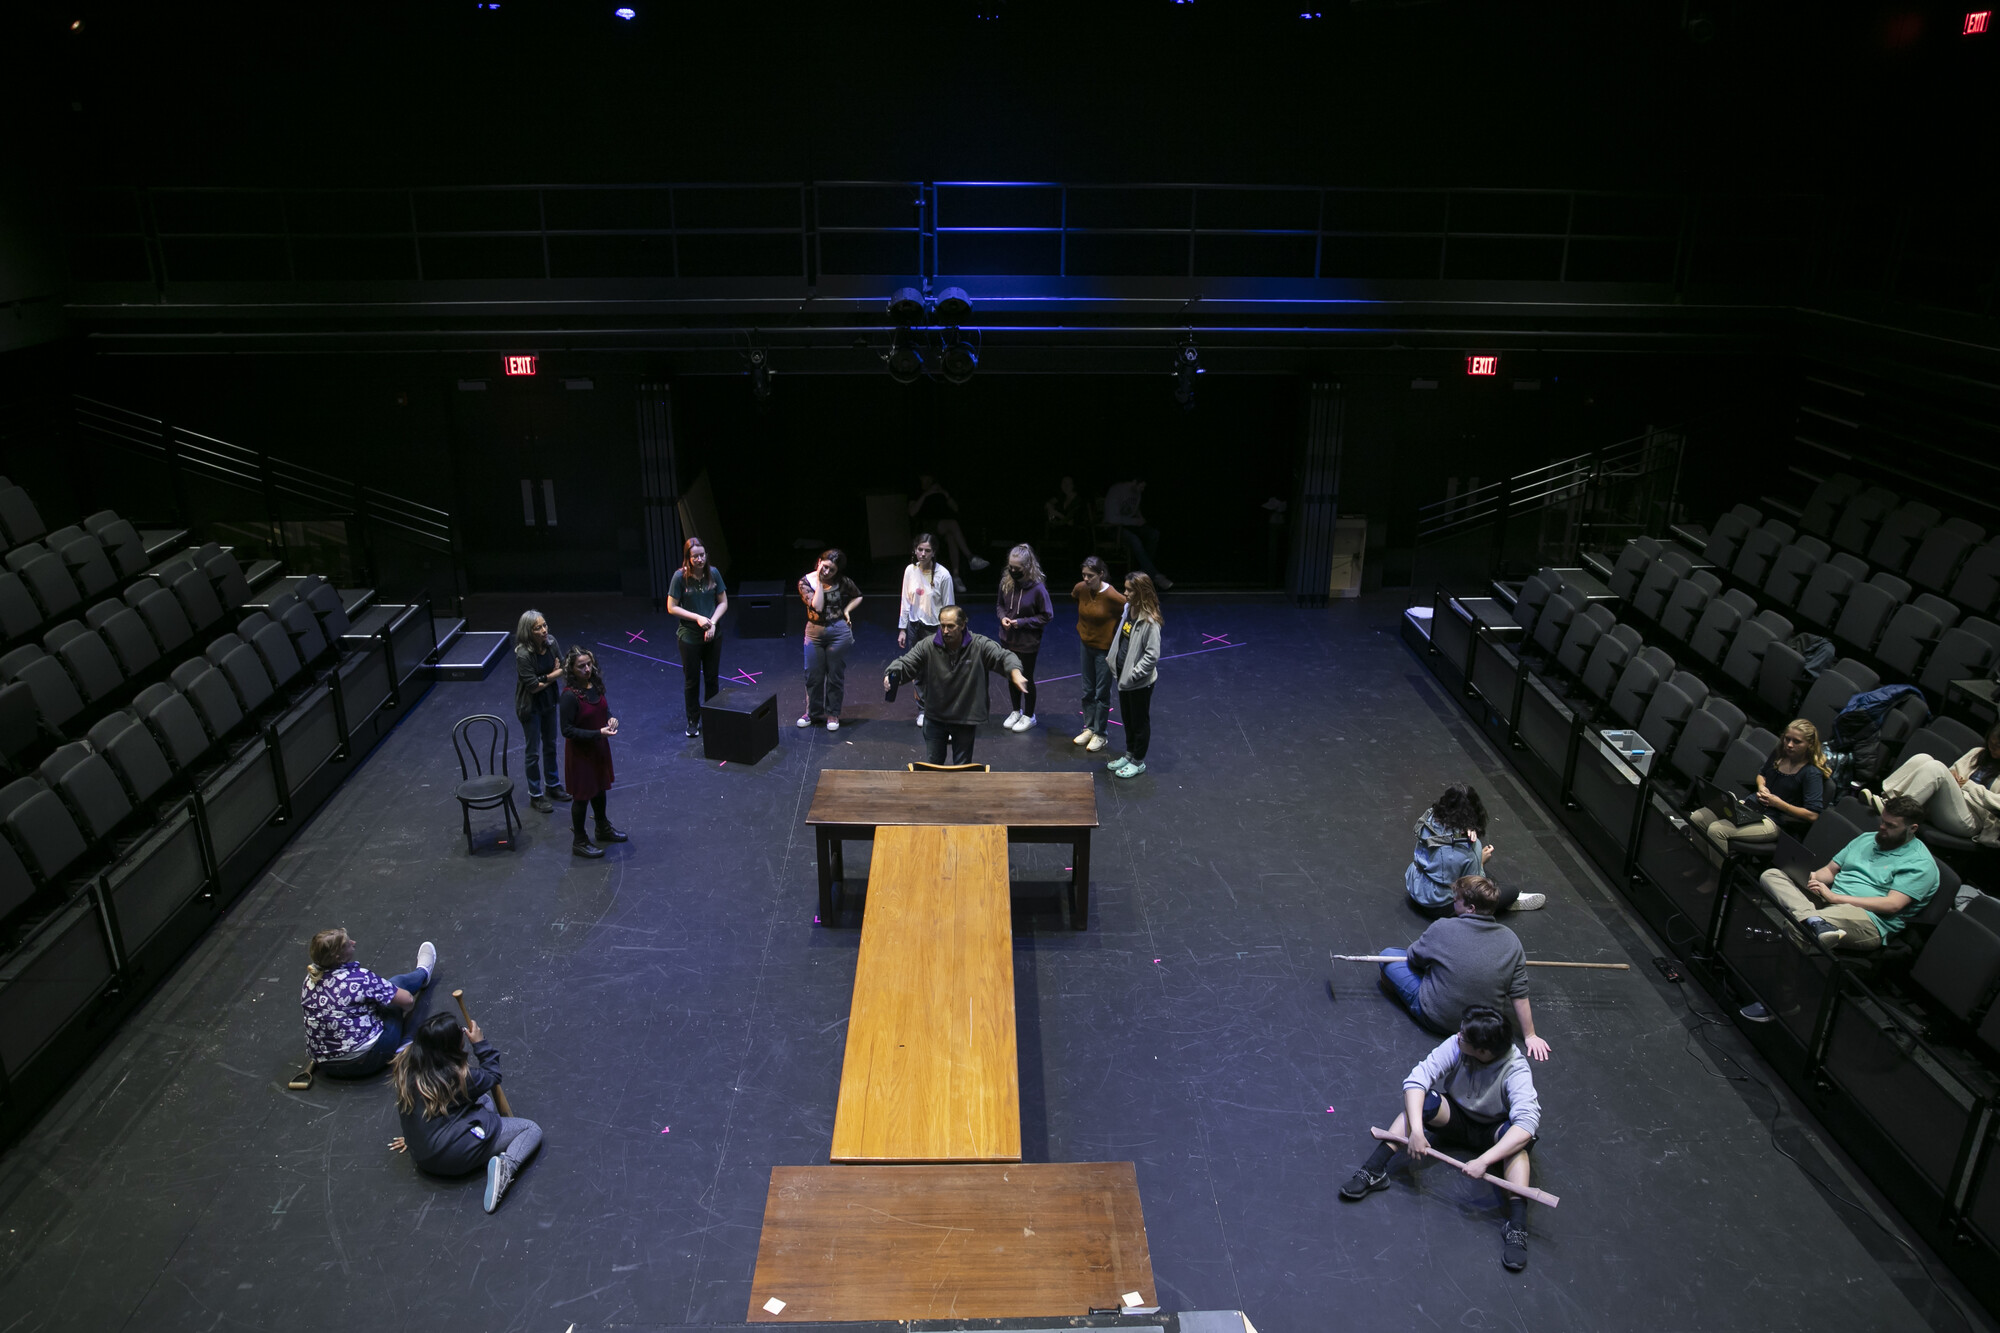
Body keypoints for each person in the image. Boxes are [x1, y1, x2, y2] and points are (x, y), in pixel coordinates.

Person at [1338, 1004, 1543, 1274]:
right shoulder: (1459, 1043)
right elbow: (1417, 1080)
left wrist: (1484, 1160)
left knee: (1517, 1145)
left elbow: (1526, 1125)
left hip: (1492, 1132)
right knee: (1421, 1104)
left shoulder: (1516, 1069)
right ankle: (1374, 1170)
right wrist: (1418, 1132)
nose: (1458, 1036)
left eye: (1464, 1037)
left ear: (1483, 1051)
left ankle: (1516, 1226)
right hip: (1455, 1116)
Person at [1747, 795, 1940, 985]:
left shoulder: (1920, 864)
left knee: (1799, 928)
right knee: (1772, 874)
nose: (1882, 827)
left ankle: (1784, 1003)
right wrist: (1806, 876)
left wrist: (1835, 897)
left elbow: (1891, 905)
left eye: (1891, 826)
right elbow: (1830, 871)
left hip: (1869, 919)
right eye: (1883, 821)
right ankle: (1814, 919)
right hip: (1830, 897)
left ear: (1912, 829)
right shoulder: (1867, 839)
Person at [1373, 876, 1553, 1060]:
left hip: (1436, 1019)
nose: (1453, 900)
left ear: (1471, 908)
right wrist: (1530, 1035)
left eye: (1457, 899)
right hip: (1480, 1029)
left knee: (1391, 956)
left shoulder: (1443, 927)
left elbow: (1414, 958)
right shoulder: (1511, 940)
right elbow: (1519, 992)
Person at [388, 1012, 542, 1214]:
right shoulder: (458, 1077)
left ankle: (484, 1136)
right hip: (453, 1157)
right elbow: (492, 1075)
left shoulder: (408, 1066)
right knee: (530, 1129)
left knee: (483, 1100)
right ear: (451, 1046)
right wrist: (480, 1043)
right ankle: (505, 1169)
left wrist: (414, 1138)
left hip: (423, 1154)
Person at [883, 604, 1029, 766]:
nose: (945, 631)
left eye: (951, 626)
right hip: (935, 716)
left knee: (962, 767)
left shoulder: (979, 645)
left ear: (962, 625)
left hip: (964, 718)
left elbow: (1004, 657)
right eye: (942, 626)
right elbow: (906, 663)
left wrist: (1015, 672)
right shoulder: (928, 645)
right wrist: (893, 673)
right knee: (933, 765)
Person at [300, 929, 437, 1079]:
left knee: (380, 995)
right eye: (347, 944)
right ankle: (423, 973)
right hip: (366, 1061)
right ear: (338, 957)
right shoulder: (360, 979)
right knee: (395, 987)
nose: (353, 943)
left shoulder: (310, 980)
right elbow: (408, 1001)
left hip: (326, 1065)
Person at [1689, 718, 1828, 852]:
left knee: (1717, 830)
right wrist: (1761, 786)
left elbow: (1813, 815)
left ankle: (1713, 874)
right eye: (1787, 739)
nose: (1789, 745)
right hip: (1752, 806)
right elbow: (1761, 774)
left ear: (1809, 744)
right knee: (1698, 818)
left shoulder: (1811, 773)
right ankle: (1701, 862)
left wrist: (1780, 804)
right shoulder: (1780, 752)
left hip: (1773, 820)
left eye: (1797, 742)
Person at [1405, 785, 1546, 914]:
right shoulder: (1470, 849)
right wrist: (1481, 863)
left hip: (1414, 887)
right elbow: (1473, 888)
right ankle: (1505, 904)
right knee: (1510, 891)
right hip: (1438, 905)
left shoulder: (1428, 818)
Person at [1867, 722, 2000, 843]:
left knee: (1936, 767)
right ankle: (1888, 800)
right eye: (1991, 744)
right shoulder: (1977, 753)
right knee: (1923, 758)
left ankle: (1897, 813)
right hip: (1947, 803)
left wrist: (1969, 786)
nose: (1993, 750)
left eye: (1998, 747)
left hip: (1970, 819)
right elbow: (1951, 774)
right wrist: (1953, 775)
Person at [559, 646, 625, 859]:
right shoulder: (569, 696)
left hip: (599, 747)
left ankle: (602, 828)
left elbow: (602, 708)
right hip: (581, 754)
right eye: (581, 666)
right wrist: (598, 732)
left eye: (589, 664)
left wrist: (611, 718)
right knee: (581, 797)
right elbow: (566, 730)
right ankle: (579, 841)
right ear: (572, 669)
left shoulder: (594, 684)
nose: (587, 669)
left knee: (599, 789)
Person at [666, 538, 728, 739]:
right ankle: (693, 719)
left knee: (712, 678)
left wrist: (712, 622)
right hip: (690, 637)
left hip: (712, 635)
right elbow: (671, 606)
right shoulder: (680, 577)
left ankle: (712, 717)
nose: (700, 559)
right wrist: (699, 618)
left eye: (702, 555)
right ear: (688, 558)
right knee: (692, 680)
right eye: (695, 556)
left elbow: (723, 602)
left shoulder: (714, 573)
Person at [798, 549, 863, 731]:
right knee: (813, 674)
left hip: (838, 631)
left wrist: (847, 610)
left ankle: (833, 713)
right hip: (814, 631)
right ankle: (812, 712)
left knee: (835, 674)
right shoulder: (805, 582)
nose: (827, 572)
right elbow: (817, 606)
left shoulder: (841, 582)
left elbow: (858, 595)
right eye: (825, 567)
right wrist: (819, 581)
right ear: (819, 562)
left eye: (831, 570)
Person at [1106, 572, 1163, 778]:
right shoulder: (1128, 609)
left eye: (1129, 590)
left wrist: (1134, 674)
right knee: (1127, 720)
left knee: (1139, 722)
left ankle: (1138, 761)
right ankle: (1129, 754)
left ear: (1141, 592)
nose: (1125, 593)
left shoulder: (1150, 621)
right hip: (1123, 678)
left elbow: (1152, 655)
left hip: (1138, 682)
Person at [897, 533, 954, 728]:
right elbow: (905, 600)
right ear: (914, 549)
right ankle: (923, 709)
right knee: (917, 670)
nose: (922, 554)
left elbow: (949, 606)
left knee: (938, 671)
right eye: (919, 549)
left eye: (927, 551)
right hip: (914, 626)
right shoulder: (910, 571)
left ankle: (940, 710)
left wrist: (948, 632)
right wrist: (902, 628)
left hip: (935, 628)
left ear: (934, 552)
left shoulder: (943, 575)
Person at [512, 610, 567, 813]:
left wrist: (546, 677)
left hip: (549, 702)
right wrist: (552, 674)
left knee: (551, 744)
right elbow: (533, 687)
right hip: (530, 706)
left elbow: (565, 667)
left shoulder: (551, 642)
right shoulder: (523, 654)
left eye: (544, 625)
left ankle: (552, 786)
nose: (544, 630)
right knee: (533, 751)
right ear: (528, 631)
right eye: (538, 628)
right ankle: (535, 794)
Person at [995, 543, 1053, 733]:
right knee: (1011, 675)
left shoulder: (1038, 589)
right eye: (1010, 567)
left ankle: (1029, 715)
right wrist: (1003, 616)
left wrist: (1022, 622)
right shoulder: (1006, 582)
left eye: (1017, 569)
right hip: (1008, 639)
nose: (1012, 571)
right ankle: (1015, 711)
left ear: (1027, 567)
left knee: (1025, 677)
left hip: (1027, 642)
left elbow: (1046, 615)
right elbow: (1000, 606)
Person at [1071, 556, 1125, 754]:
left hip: (1104, 649)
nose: (1086, 579)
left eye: (1090, 576)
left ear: (1101, 574)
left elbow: (1127, 610)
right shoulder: (1080, 589)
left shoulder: (1112, 596)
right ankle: (1089, 727)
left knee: (1102, 692)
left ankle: (1100, 733)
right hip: (1086, 645)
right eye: (1084, 575)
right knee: (1087, 690)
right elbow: (1076, 597)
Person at [1101, 478, 1172, 589]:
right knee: (1134, 540)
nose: (1142, 490)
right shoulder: (1117, 490)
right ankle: (1155, 576)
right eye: (1141, 486)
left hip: (1129, 525)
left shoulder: (1137, 493)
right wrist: (1134, 521)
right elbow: (1112, 519)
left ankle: (1144, 572)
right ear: (1134, 482)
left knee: (1153, 534)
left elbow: (1134, 511)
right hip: (1113, 528)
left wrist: (1140, 519)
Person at [909, 475, 989, 572]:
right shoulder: (917, 492)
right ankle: (970, 557)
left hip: (942, 525)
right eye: (925, 477)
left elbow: (955, 508)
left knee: (951, 536)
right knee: (952, 524)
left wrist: (945, 494)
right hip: (925, 526)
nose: (928, 480)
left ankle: (956, 575)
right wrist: (926, 494)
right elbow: (912, 512)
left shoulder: (938, 491)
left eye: (930, 478)